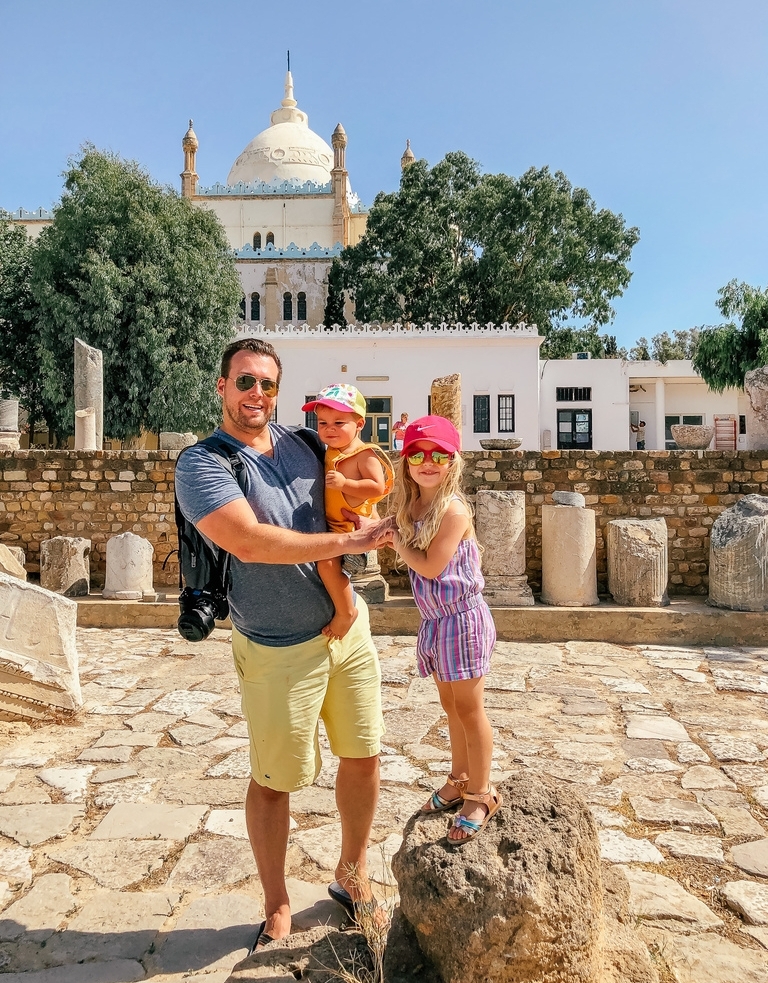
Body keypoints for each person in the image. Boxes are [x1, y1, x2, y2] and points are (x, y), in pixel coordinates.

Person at [175, 338, 386, 949]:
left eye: (267, 384)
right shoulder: (204, 464)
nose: (256, 395)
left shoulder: (304, 442)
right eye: (245, 382)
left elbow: (365, 469)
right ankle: (277, 901)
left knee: (364, 754)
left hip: (347, 632)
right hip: (275, 644)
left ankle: (353, 873)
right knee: (274, 779)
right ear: (222, 387)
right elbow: (251, 542)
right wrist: (347, 546)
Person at [381, 415, 502, 844]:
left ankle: (482, 794)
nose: (428, 462)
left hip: (462, 620)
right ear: (406, 461)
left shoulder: (452, 510)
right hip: (437, 623)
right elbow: (400, 538)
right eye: (418, 454)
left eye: (439, 455)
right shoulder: (412, 507)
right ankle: (460, 776)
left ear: (453, 461)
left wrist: (394, 542)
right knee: (451, 707)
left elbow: (431, 566)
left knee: (470, 709)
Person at [301, 384, 393, 641]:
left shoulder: (364, 454)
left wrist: (346, 484)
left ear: (359, 423)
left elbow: (377, 487)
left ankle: (346, 612)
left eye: (339, 422)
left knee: (327, 564)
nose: (329, 429)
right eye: (322, 423)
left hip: (348, 528)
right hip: (332, 524)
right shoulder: (331, 450)